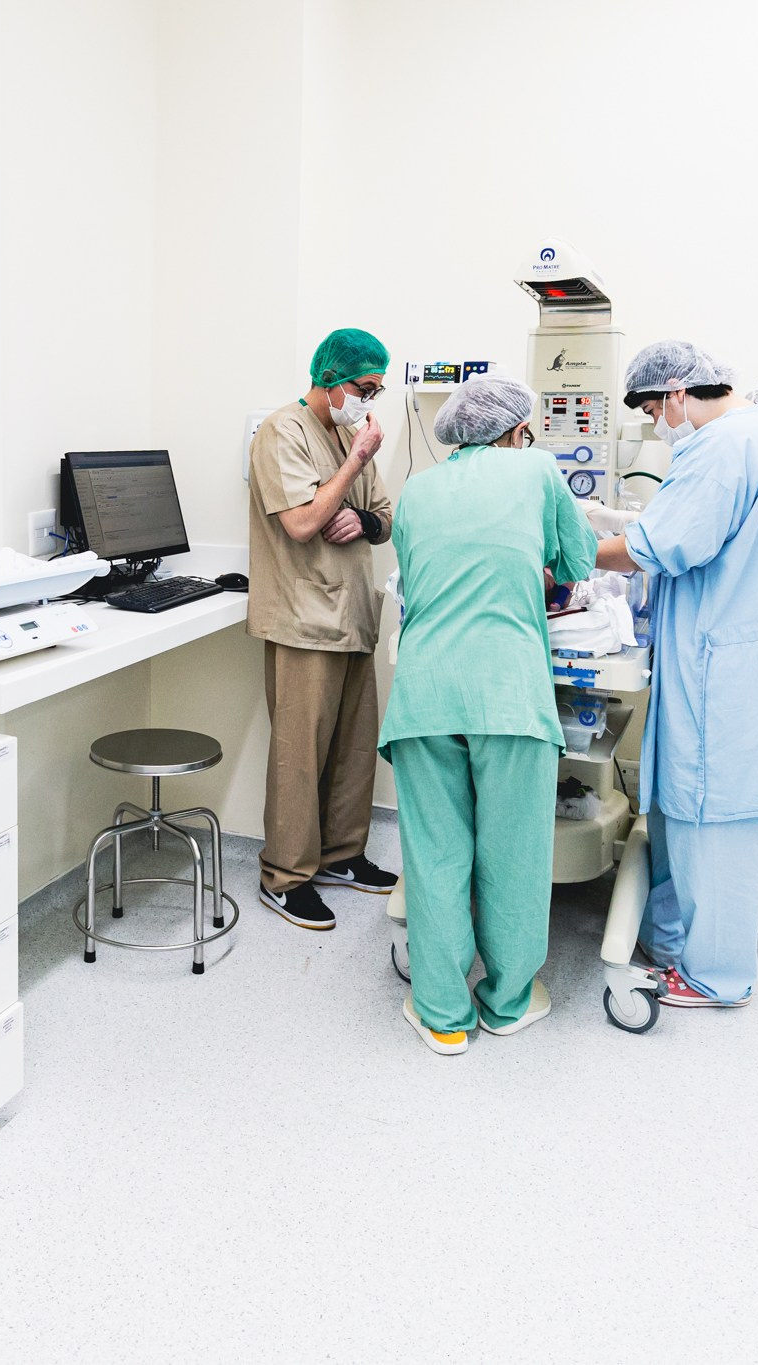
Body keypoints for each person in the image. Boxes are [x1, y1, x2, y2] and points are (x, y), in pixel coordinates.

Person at [590, 340, 758, 1008]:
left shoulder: (721, 447)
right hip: (737, 652)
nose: (657, 424)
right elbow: (693, 529)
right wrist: (624, 525)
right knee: (695, 813)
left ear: (676, 393)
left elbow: (660, 546)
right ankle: (673, 941)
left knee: (709, 819)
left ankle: (712, 975)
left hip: (721, 661)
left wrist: (574, 550)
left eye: (652, 411)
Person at [378, 377, 596, 1055]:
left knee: (435, 855)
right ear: (516, 429)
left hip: (424, 692)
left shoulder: (417, 490)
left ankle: (443, 1014)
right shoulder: (538, 470)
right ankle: (506, 1003)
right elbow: (579, 561)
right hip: (508, 692)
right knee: (513, 854)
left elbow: (417, 577)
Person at [245, 328, 399, 930]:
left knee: (355, 749)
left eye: (377, 391)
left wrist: (362, 519)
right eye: (365, 388)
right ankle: (285, 876)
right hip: (304, 616)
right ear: (331, 380)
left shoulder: (347, 433)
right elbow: (304, 523)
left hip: (353, 612)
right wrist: (356, 461)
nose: (369, 401)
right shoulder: (282, 431)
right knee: (300, 756)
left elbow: (384, 517)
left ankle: (341, 855)